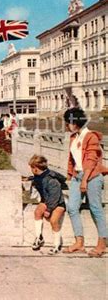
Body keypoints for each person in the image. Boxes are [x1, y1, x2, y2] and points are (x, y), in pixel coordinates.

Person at [62, 108, 107, 257]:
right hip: (77, 176)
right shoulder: (74, 137)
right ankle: (79, 242)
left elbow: (91, 160)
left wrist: (85, 180)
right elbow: (73, 159)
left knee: (96, 209)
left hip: (92, 176)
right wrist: (70, 176)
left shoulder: (90, 137)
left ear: (74, 122)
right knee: (72, 208)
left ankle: (102, 244)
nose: (66, 126)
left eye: (68, 123)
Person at [28, 155, 66, 254]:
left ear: (35, 169)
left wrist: (49, 210)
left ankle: (57, 244)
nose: (31, 170)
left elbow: (55, 197)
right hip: (46, 200)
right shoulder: (39, 176)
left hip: (58, 203)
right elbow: (38, 181)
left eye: (31, 168)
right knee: (37, 212)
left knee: (53, 220)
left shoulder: (51, 180)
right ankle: (38, 237)